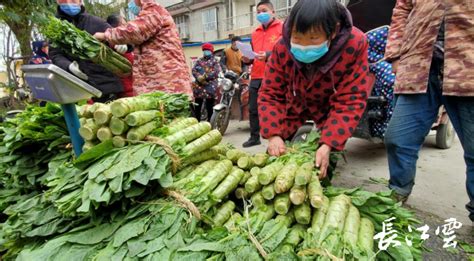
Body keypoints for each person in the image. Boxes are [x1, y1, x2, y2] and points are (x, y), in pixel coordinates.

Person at [258, 0, 371, 178]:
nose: (304, 45)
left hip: (331, 106)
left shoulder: (355, 44)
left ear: (333, 30)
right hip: (295, 101)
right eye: (297, 37)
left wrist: (328, 144)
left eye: (313, 38)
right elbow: (270, 94)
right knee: (274, 159)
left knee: (323, 165)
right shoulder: (282, 46)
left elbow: (351, 99)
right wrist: (273, 135)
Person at [383, 0, 474, 222]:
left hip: (467, 70)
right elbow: (402, 8)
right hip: (419, 67)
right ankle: (399, 190)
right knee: (398, 138)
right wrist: (395, 53)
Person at [94, 0, 192, 97]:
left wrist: (105, 35)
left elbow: (134, 31)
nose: (130, 3)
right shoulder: (151, 11)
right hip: (161, 83)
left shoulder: (153, 10)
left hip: (167, 84)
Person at [49, 0, 125, 102]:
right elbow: (55, 54)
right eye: (64, 0)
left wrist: (124, 44)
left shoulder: (95, 22)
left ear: (80, 1)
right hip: (78, 87)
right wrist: (68, 66)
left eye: (73, 0)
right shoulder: (56, 28)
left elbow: (119, 37)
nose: (68, 3)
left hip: (106, 86)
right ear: (58, 1)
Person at [242, 0, 283, 148]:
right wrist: (247, 59)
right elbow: (253, 56)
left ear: (273, 12)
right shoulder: (255, 33)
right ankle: (254, 137)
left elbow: (286, 51)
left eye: (264, 10)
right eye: (258, 12)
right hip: (257, 75)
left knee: (277, 107)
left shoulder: (283, 28)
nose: (261, 14)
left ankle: (281, 136)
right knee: (253, 109)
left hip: (275, 76)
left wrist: (268, 54)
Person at [107, 13, 135, 97]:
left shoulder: (127, 44)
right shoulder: (113, 45)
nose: (126, 27)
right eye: (123, 24)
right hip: (126, 91)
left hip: (135, 88)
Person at [192, 43, 221, 122]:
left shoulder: (215, 61)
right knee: (197, 105)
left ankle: (209, 123)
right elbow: (194, 70)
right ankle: (196, 121)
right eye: (204, 50)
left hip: (210, 86)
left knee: (209, 106)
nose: (206, 52)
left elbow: (216, 72)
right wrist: (198, 77)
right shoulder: (199, 61)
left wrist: (205, 77)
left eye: (207, 50)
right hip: (199, 86)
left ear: (211, 51)